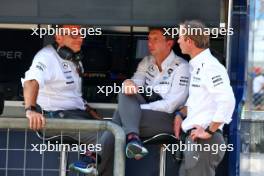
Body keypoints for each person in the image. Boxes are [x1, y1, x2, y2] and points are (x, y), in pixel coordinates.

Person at [69, 27, 190, 175]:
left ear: (169, 43)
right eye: (149, 39)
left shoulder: (182, 67)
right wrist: (128, 83)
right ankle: (132, 139)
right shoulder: (147, 61)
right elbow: (135, 83)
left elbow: (172, 104)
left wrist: (135, 110)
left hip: (169, 119)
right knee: (126, 91)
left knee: (118, 121)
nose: (149, 43)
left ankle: (93, 158)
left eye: (155, 39)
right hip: (142, 117)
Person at [22, 25, 101, 173]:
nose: (81, 39)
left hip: (76, 115)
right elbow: (31, 81)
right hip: (54, 117)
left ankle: (88, 160)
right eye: (74, 35)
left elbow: (71, 94)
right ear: (59, 37)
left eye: (81, 34)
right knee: (109, 136)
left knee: (112, 129)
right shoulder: (46, 57)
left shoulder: (74, 58)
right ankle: (87, 161)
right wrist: (31, 110)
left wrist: (88, 109)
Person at [175, 20, 236, 176]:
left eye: (181, 37)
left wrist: (209, 130)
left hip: (206, 141)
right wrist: (180, 114)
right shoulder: (197, 66)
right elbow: (200, 102)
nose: (178, 40)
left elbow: (227, 101)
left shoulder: (210, 66)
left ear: (190, 41)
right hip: (195, 141)